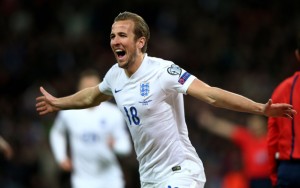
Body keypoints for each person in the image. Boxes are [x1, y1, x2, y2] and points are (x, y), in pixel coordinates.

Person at [36, 11, 296, 188]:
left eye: (122, 35)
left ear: (140, 42)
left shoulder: (163, 71)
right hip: (149, 176)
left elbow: (211, 94)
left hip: (181, 171)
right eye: (113, 35)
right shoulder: (114, 75)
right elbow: (92, 95)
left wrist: (260, 109)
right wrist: (59, 103)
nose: (115, 40)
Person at [49, 69, 132, 188]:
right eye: (85, 88)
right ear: (79, 89)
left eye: (92, 88)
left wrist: (115, 146)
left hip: (110, 179)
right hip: (82, 181)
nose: (89, 93)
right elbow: (57, 133)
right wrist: (61, 157)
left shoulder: (113, 113)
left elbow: (125, 147)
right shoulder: (69, 113)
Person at [198, 110, 271, 188]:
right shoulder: (247, 137)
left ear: (263, 124)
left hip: (269, 179)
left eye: (257, 124)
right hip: (252, 180)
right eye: (252, 125)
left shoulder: (271, 138)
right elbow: (228, 129)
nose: (254, 128)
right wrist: (210, 122)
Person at [267, 35, 300, 188]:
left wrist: (275, 174)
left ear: (297, 55)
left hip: (290, 170)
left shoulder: (282, 89)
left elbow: (273, 138)